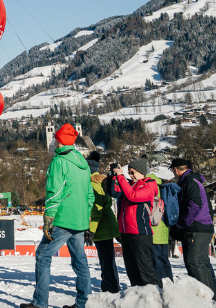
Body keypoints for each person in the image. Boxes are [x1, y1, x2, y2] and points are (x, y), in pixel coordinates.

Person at [20, 123, 93, 308]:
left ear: (59, 141)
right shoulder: (82, 160)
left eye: (55, 140)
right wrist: (87, 215)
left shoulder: (59, 161)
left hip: (62, 219)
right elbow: (89, 193)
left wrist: (48, 218)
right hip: (80, 220)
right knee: (80, 261)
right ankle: (83, 302)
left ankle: (40, 303)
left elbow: (54, 192)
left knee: (43, 257)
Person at [109, 157, 162, 288]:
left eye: (133, 172)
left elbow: (133, 196)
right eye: (129, 173)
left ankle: (157, 298)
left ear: (142, 172)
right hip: (127, 233)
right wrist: (112, 176)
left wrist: (121, 177)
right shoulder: (131, 185)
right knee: (132, 272)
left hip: (141, 234)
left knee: (146, 272)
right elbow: (113, 193)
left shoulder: (149, 186)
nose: (131, 175)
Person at [169, 158, 216, 299]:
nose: (173, 173)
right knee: (202, 263)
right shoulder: (194, 180)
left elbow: (194, 204)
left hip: (196, 227)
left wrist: (183, 223)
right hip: (202, 226)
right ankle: (210, 297)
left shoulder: (189, 182)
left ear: (177, 170)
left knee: (195, 263)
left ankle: (204, 298)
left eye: (173, 170)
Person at [88, 152, 120, 294]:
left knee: (106, 261)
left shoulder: (93, 185)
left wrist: (91, 229)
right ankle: (109, 287)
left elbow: (97, 209)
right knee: (106, 261)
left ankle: (110, 289)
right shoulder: (99, 182)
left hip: (102, 227)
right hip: (104, 226)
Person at [147, 173, 173, 282]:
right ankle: (170, 283)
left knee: (155, 260)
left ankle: (161, 284)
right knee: (164, 260)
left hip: (154, 229)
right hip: (164, 229)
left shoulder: (150, 188)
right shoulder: (163, 188)